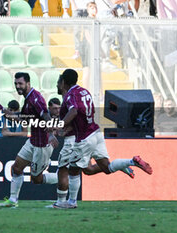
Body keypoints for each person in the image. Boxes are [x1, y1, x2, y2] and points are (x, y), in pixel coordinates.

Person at [55, 69, 153, 208]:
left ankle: (71, 202)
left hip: (85, 138)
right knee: (106, 168)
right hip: (95, 132)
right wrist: (69, 128)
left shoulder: (71, 95)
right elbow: (85, 114)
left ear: (64, 82)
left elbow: (74, 111)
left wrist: (60, 125)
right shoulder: (84, 92)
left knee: (73, 170)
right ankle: (131, 161)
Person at [0, 72, 59, 208]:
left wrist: (52, 134)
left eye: (20, 83)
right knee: (16, 168)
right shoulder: (27, 99)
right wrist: (8, 114)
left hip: (42, 144)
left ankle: (64, 178)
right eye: (16, 83)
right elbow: (23, 120)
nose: (18, 86)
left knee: (37, 179)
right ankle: (13, 200)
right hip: (32, 141)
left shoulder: (36, 99)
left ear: (28, 84)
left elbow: (46, 115)